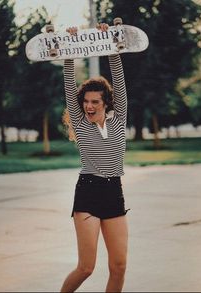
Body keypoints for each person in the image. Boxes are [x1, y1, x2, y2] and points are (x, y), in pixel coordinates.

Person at [60, 23, 129, 293]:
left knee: (119, 266)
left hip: (114, 191)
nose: (88, 106)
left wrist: (111, 43)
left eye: (95, 102)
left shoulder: (119, 118)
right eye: (85, 101)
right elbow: (68, 85)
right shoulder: (80, 123)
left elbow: (120, 84)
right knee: (86, 267)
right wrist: (70, 49)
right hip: (88, 191)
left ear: (106, 103)